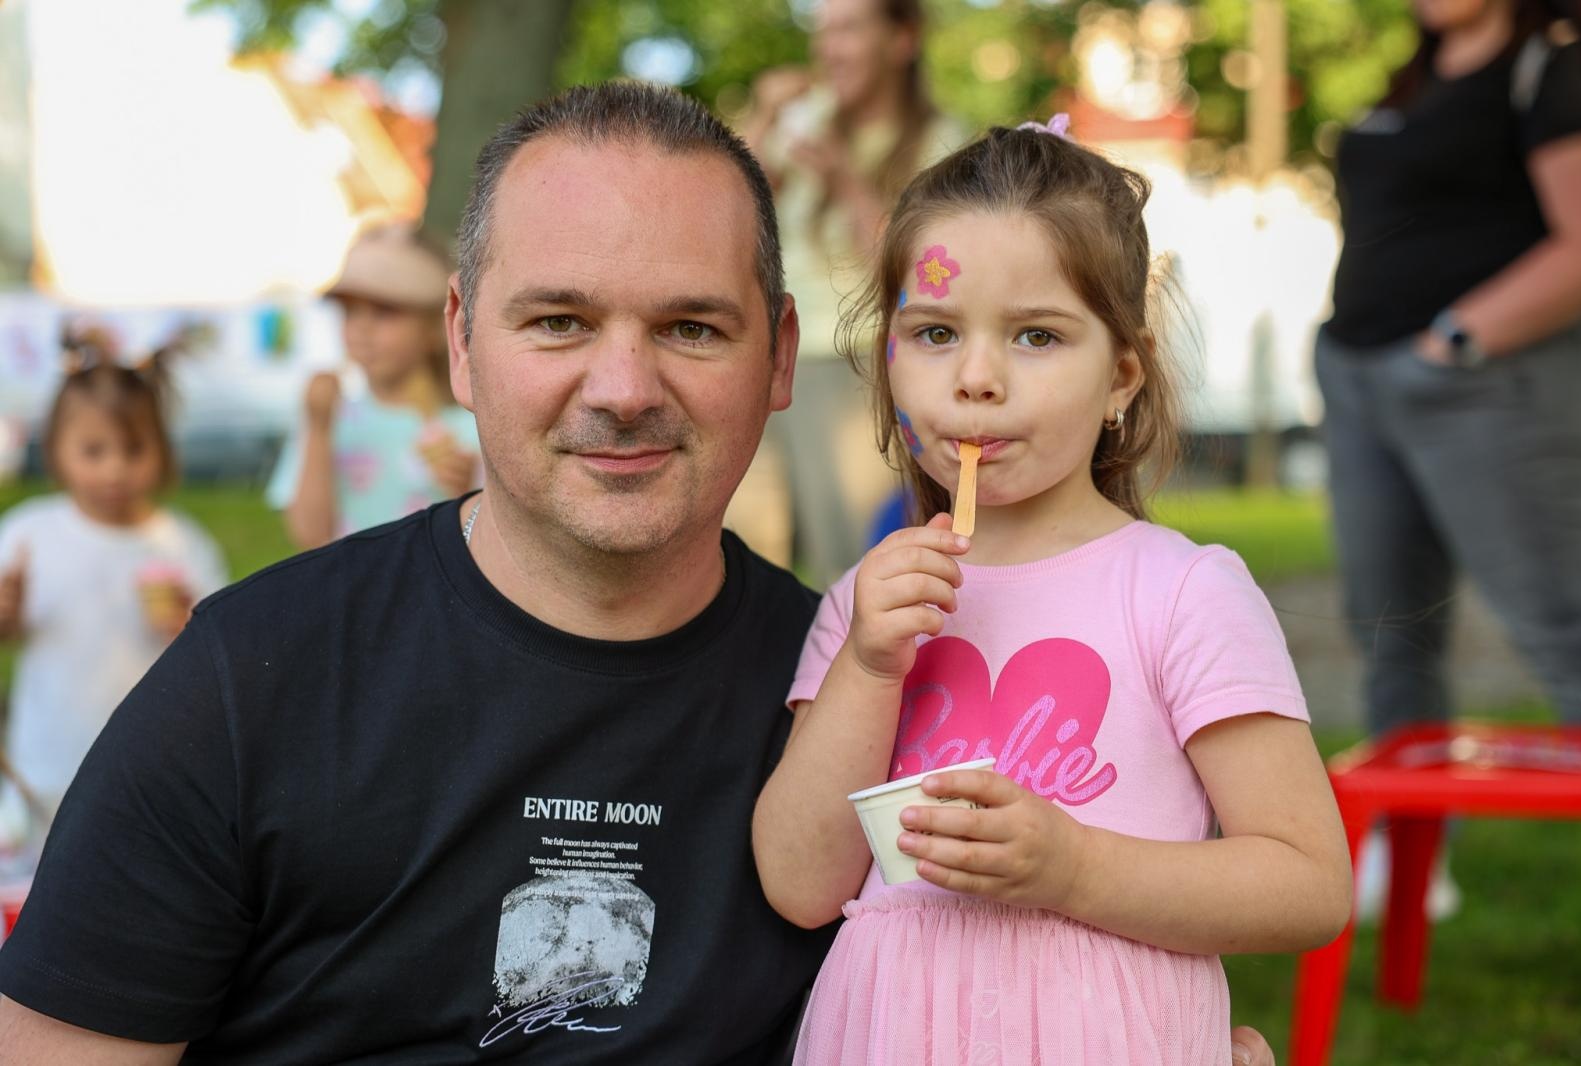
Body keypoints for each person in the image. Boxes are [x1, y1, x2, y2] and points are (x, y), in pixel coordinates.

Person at [0, 85, 1284, 1066]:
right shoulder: (252, 680)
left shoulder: (864, 680)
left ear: (778, 359)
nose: (622, 388)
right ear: (462, 342)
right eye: (558, 319)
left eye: (689, 326)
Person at [753, 120, 1351, 1064]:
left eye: (1036, 336)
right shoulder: (867, 608)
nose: (977, 378)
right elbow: (799, 884)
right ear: (889, 356)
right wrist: (867, 668)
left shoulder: (1180, 594)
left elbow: (1309, 885)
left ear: (1122, 376)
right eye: (935, 333)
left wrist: (1074, 869)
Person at [1315, 0, 1581, 917]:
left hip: (1483, 385)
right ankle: (1410, 861)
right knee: (1391, 629)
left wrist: (1455, 340)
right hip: (1361, 381)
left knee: (1571, 628)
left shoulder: (1550, 67)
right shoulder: (1414, 77)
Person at [735, 0, 965, 582]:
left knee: (857, 561)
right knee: (743, 552)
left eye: (849, 30)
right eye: (823, 32)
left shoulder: (939, 141)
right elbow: (726, 209)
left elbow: (921, 275)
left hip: (857, 364)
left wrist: (844, 180)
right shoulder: (804, 120)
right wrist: (763, 116)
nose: (827, 49)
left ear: (902, 39)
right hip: (767, 355)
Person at [0, 352, 227, 833]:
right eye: (93, 450)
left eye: (134, 449)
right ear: (55, 447)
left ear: (162, 447)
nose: (115, 470)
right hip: (47, 767)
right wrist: (7, 612)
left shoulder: (183, 543)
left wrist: (186, 629)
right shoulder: (27, 534)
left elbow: (221, 658)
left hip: (152, 771)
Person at [267, 222, 480, 549]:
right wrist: (319, 427)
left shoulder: (474, 427)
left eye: (384, 312)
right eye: (350, 311)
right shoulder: (330, 419)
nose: (361, 328)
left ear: (437, 327)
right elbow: (310, 537)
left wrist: (469, 493)